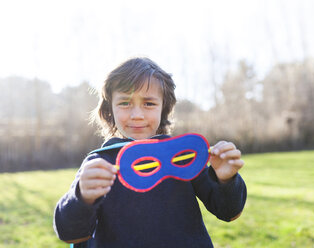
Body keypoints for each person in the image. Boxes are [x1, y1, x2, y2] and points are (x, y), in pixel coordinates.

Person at [53, 57, 247, 248]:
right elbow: (70, 233)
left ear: (164, 109)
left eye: (149, 104)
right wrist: (82, 197)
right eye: (125, 103)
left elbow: (229, 211)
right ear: (109, 109)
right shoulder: (99, 162)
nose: (137, 115)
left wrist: (226, 180)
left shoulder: (181, 155)